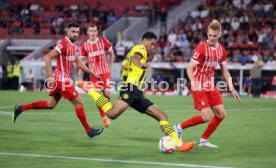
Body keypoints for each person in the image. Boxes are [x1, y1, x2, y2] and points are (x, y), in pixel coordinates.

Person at [77, 32, 196, 152]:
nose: (153, 47)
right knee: (112, 114)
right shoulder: (141, 48)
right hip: (130, 88)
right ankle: (90, 89)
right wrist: (140, 65)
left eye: (155, 45)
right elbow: (135, 58)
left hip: (137, 92)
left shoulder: (137, 49)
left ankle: (180, 144)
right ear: (145, 40)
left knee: (162, 116)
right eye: (152, 43)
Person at [12, 22, 104, 138]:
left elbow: (79, 64)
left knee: (50, 104)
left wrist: (93, 73)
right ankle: (89, 131)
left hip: (61, 80)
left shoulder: (74, 46)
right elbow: (47, 57)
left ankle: (20, 108)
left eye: (77, 32)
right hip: (61, 79)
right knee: (79, 102)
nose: (75, 34)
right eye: (73, 31)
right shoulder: (63, 44)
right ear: (67, 31)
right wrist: (50, 76)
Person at [174, 20, 241, 148]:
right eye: (209, 35)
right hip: (198, 85)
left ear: (219, 35)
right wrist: (194, 83)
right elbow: (189, 68)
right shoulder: (201, 48)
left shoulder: (221, 50)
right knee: (206, 117)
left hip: (210, 85)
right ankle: (178, 127)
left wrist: (232, 89)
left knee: (221, 114)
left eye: (214, 36)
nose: (211, 38)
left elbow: (225, 71)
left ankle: (203, 140)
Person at [80, 24, 115, 127]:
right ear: (87, 33)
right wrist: (80, 69)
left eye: (95, 31)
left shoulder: (103, 41)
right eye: (91, 31)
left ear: (97, 32)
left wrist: (109, 66)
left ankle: (107, 110)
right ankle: (104, 118)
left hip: (105, 73)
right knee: (98, 95)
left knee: (108, 95)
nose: (93, 33)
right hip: (94, 74)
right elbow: (81, 59)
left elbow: (112, 54)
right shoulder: (85, 45)